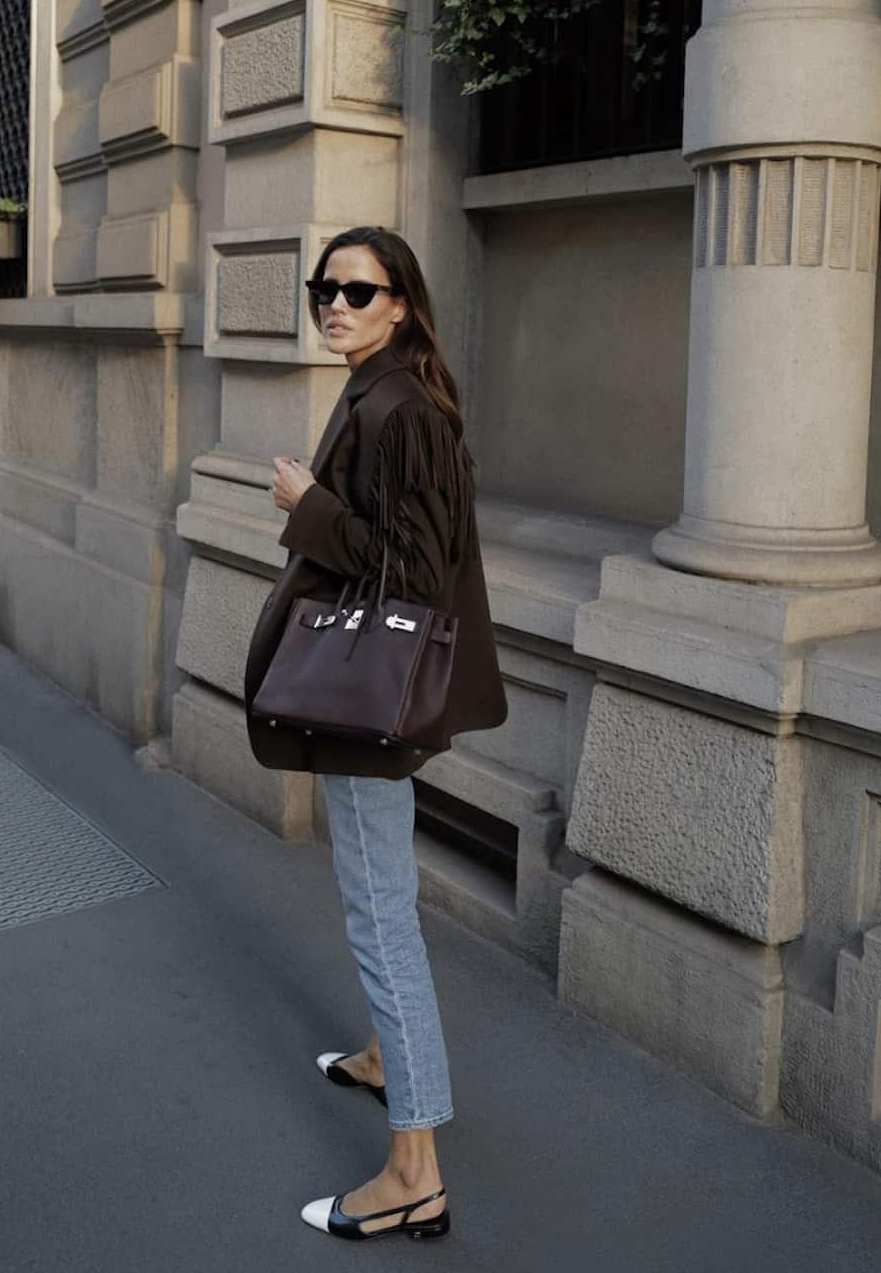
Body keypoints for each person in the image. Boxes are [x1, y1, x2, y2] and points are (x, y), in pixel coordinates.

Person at [243, 225, 507, 1243]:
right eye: (325, 289)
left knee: (379, 915)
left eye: (356, 289)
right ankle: (391, 1060)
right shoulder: (382, 389)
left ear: (400, 301)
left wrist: (307, 504)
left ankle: (413, 1170)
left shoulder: (396, 407)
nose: (334, 304)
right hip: (365, 697)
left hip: (364, 701)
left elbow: (411, 577)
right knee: (378, 896)